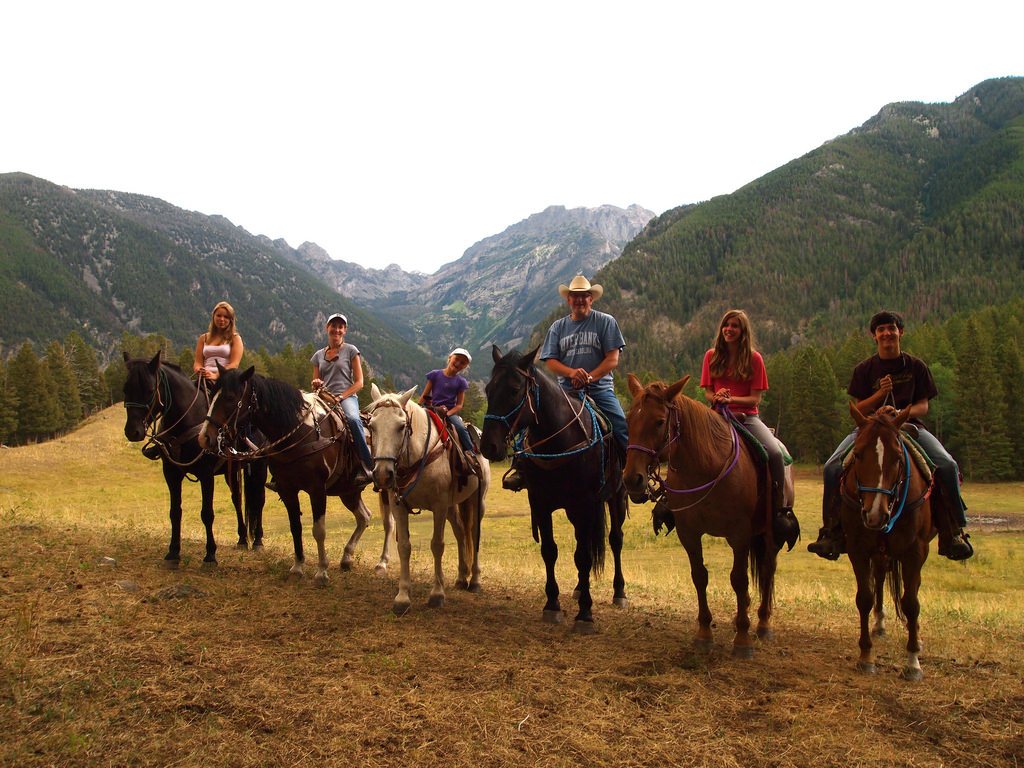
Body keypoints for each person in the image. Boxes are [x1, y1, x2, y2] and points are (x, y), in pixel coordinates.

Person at [808, 310, 973, 561]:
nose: (887, 333)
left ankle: (954, 531)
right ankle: (831, 531)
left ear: (900, 332)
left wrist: (898, 413)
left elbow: (923, 406)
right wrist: (879, 397)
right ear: (874, 336)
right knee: (832, 467)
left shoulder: (917, 367)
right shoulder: (864, 369)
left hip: (909, 428)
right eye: (881, 329)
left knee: (947, 464)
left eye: (892, 328)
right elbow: (859, 408)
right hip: (869, 428)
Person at [503, 274, 627, 491]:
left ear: (591, 298)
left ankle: (627, 472)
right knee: (528, 421)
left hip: (600, 389)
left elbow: (612, 359)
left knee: (620, 425)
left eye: (584, 296)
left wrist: (589, 376)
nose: (579, 300)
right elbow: (550, 362)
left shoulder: (606, 322)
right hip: (565, 392)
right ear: (568, 300)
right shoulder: (557, 327)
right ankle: (520, 468)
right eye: (575, 296)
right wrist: (572, 374)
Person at [697, 309, 798, 547]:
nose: (729, 329)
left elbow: (755, 400)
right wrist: (716, 397)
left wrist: (729, 399)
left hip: (747, 417)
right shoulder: (711, 356)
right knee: (688, 443)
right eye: (726, 325)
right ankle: (672, 502)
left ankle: (781, 511)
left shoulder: (754, 359)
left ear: (743, 332)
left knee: (774, 453)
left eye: (735, 326)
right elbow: (708, 392)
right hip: (716, 416)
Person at [310, 313, 374, 477]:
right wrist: (316, 383)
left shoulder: (351, 350)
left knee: (353, 419)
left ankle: (367, 465)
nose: (336, 330)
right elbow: (315, 380)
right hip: (323, 397)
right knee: (304, 418)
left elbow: (359, 383)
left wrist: (340, 397)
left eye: (340, 327)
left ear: (345, 330)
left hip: (346, 397)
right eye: (334, 326)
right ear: (327, 328)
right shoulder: (318, 355)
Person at [419, 348, 477, 456]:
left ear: (464, 367)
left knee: (461, 428)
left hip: (449, 412)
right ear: (450, 357)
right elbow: (425, 394)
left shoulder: (461, 382)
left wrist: (447, 414)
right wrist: (418, 407)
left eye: (462, 363)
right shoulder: (435, 374)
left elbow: (459, 405)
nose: (458, 363)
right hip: (432, 408)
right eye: (457, 359)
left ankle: (471, 454)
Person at [193, 301, 243, 387]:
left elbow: (234, 364)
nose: (222, 319)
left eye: (226, 317)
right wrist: (199, 370)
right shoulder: (203, 338)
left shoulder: (235, 338)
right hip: (204, 379)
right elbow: (198, 362)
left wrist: (216, 375)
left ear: (231, 320)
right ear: (213, 317)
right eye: (219, 315)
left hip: (225, 379)